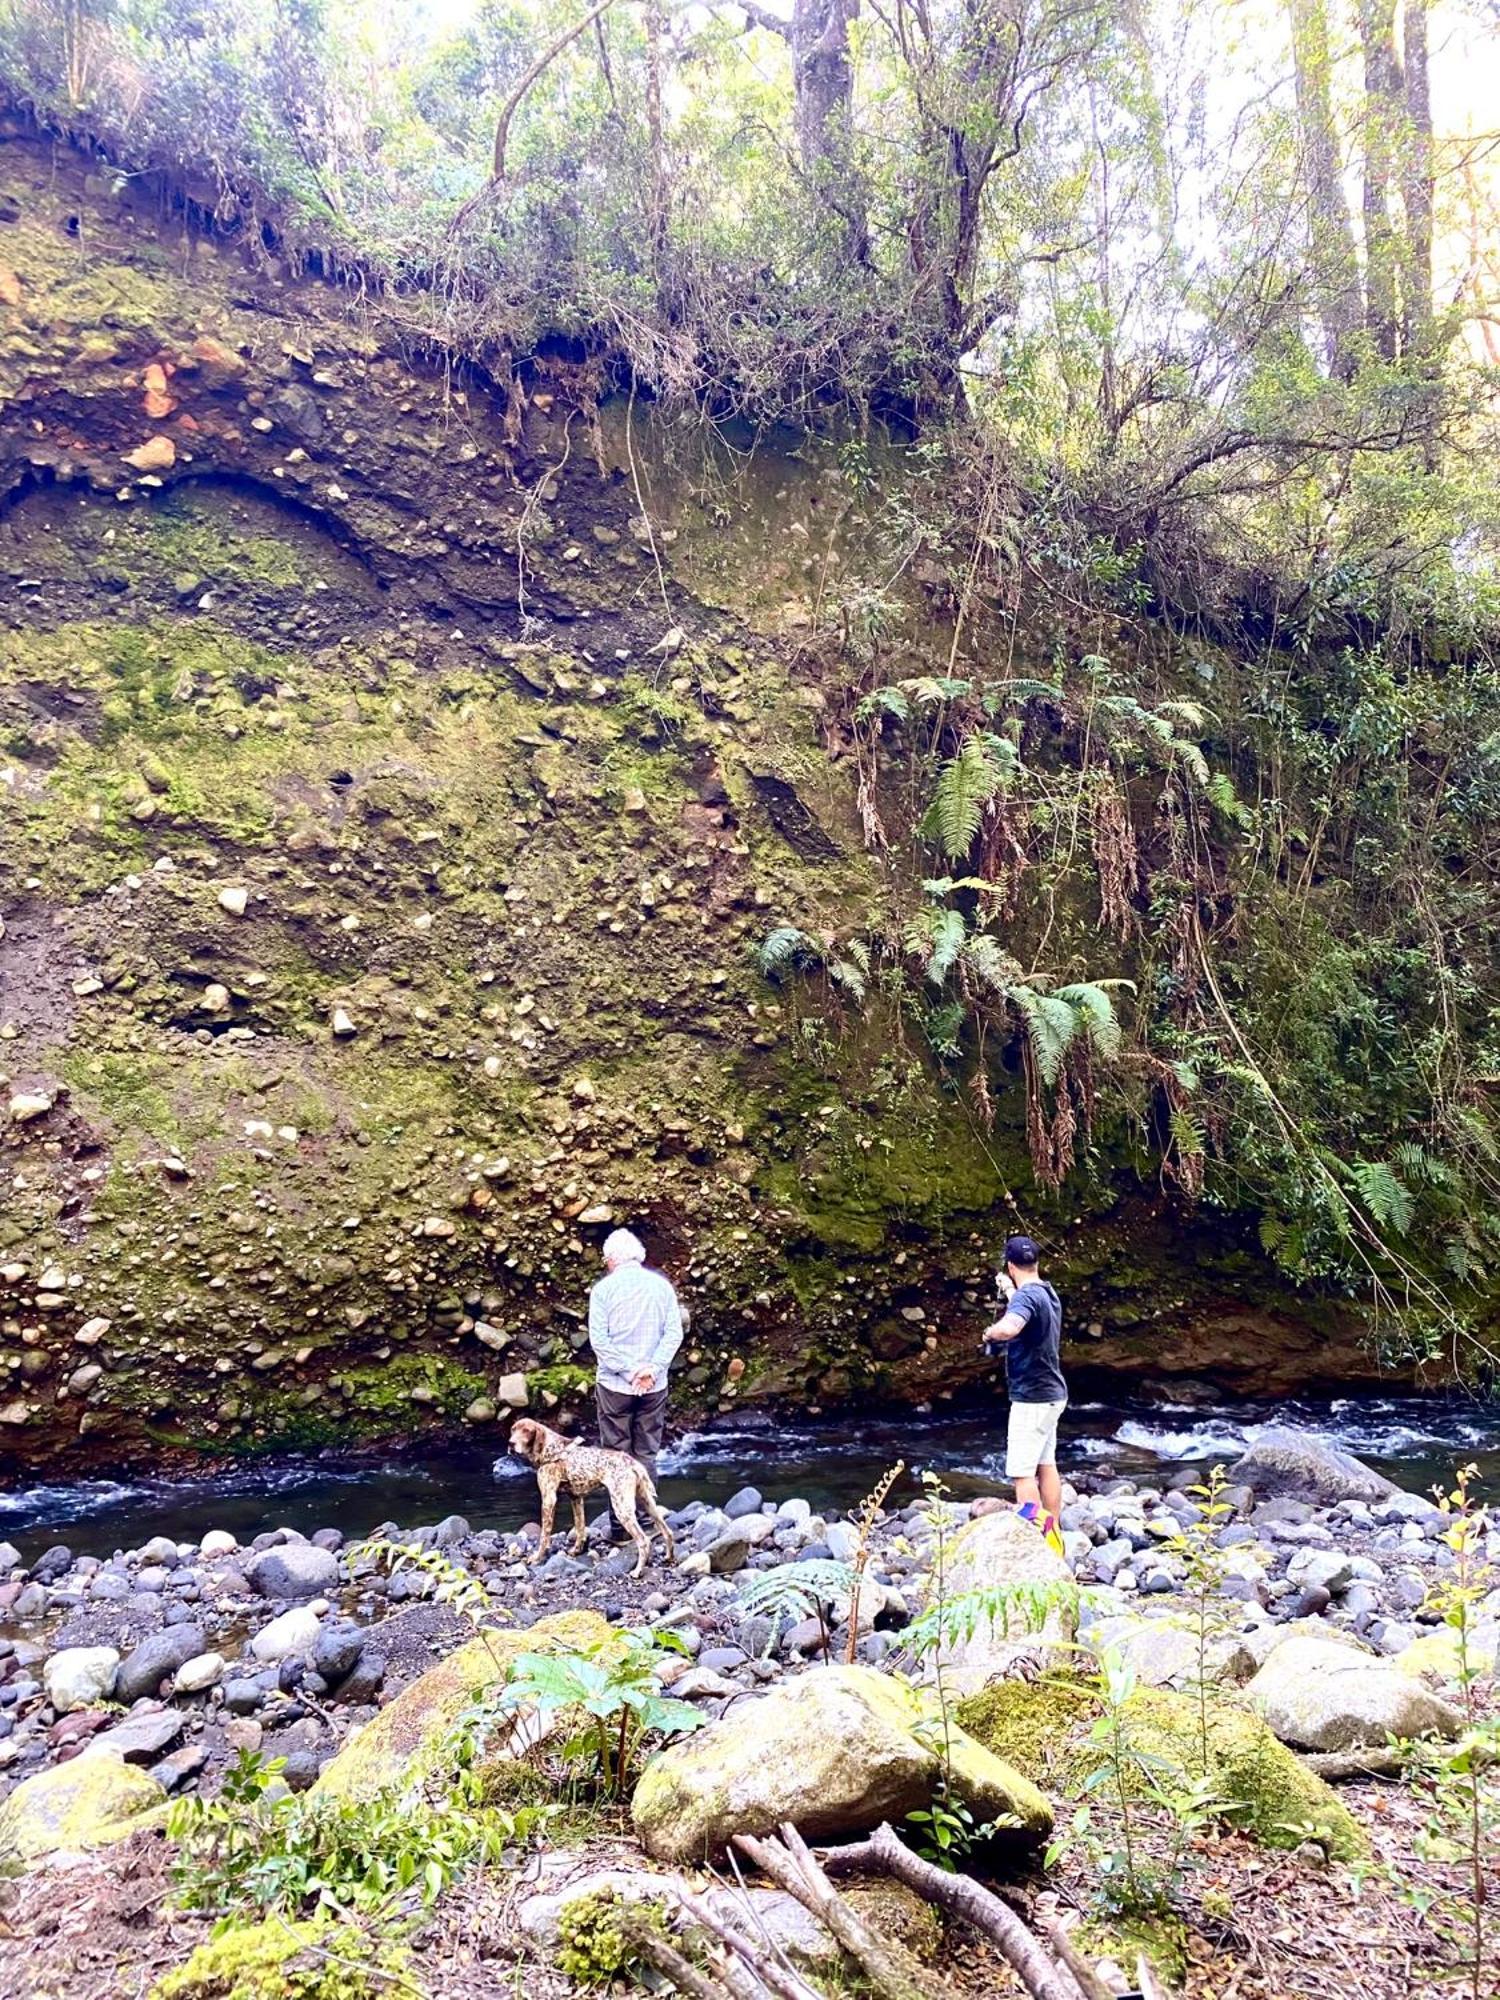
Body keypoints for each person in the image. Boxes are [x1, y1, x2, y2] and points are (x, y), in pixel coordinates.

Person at [983, 1232, 1068, 1555]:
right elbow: (1025, 1298)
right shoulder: (1046, 1291)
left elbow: (1011, 1326)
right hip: (1053, 1394)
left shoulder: (1024, 1300)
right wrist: (1008, 1288)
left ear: (1010, 1264)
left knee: (1022, 1474)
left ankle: (1036, 1544)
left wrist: (992, 1332)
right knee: (1046, 1464)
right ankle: (1054, 1533)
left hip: (1031, 1398)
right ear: (1035, 1262)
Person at [587, 1227, 683, 1497]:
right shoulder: (662, 1287)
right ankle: (646, 1521)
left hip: (615, 1386)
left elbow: (599, 1341)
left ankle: (621, 1530)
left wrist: (630, 1373)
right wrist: (652, 1369)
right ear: (637, 1256)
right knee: (646, 1453)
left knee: (617, 1455)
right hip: (653, 1385)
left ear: (611, 1259)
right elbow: (674, 1333)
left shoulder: (603, 1291)